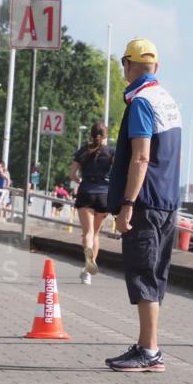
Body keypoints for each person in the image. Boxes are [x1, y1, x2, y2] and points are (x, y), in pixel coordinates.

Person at [105, 38, 182, 373]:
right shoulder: (168, 100)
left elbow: (141, 156)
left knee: (142, 274)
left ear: (128, 65)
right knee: (156, 274)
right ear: (156, 67)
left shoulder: (141, 103)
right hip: (168, 201)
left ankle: (149, 350)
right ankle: (147, 345)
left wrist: (127, 204)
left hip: (145, 202)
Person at [70, 122, 114, 284]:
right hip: (104, 195)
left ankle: (87, 269)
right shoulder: (111, 153)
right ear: (106, 136)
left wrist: (80, 180)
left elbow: (72, 174)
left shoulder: (83, 151)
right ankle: (88, 268)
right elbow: (117, 175)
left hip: (86, 192)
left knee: (87, 233)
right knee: (96, 233)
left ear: (91, 134)